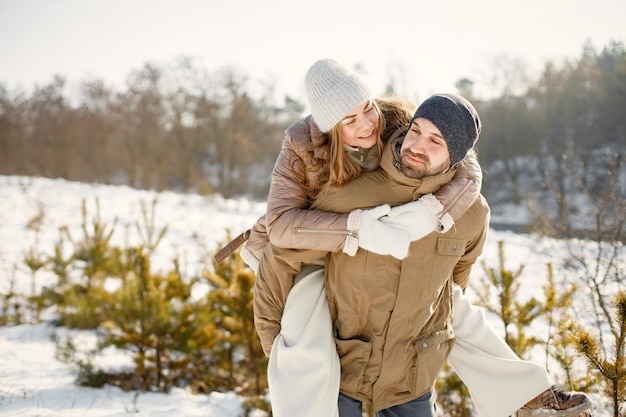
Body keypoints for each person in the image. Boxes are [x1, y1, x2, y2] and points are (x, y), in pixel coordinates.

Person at [216, 59, 591, 417]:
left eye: (367, 108)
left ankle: (525, 395)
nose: (366, 124)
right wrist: (356, 230)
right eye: (350, 119)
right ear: (330, 127)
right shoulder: (303, 148)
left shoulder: (399, 120)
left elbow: (460, 154)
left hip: (401, 233)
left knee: (444, 296)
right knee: (304, 322)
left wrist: (438, 213)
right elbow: (282, 230)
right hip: (315, 239)